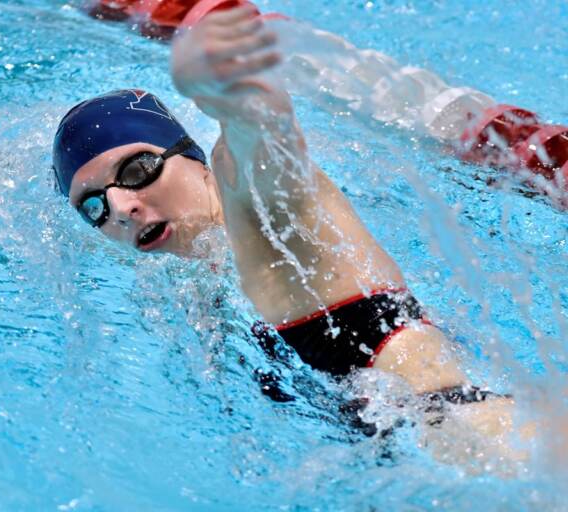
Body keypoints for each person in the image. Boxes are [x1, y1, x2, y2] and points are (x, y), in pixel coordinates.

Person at [53, 6, 522, 460]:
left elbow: (262, 129)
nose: (121, 208)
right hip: (418, 450)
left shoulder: (255, 202)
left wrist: (234, 88)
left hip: (467, 430)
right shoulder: (200, 281)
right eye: (92, 206)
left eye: (137, 169)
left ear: (193, 158)